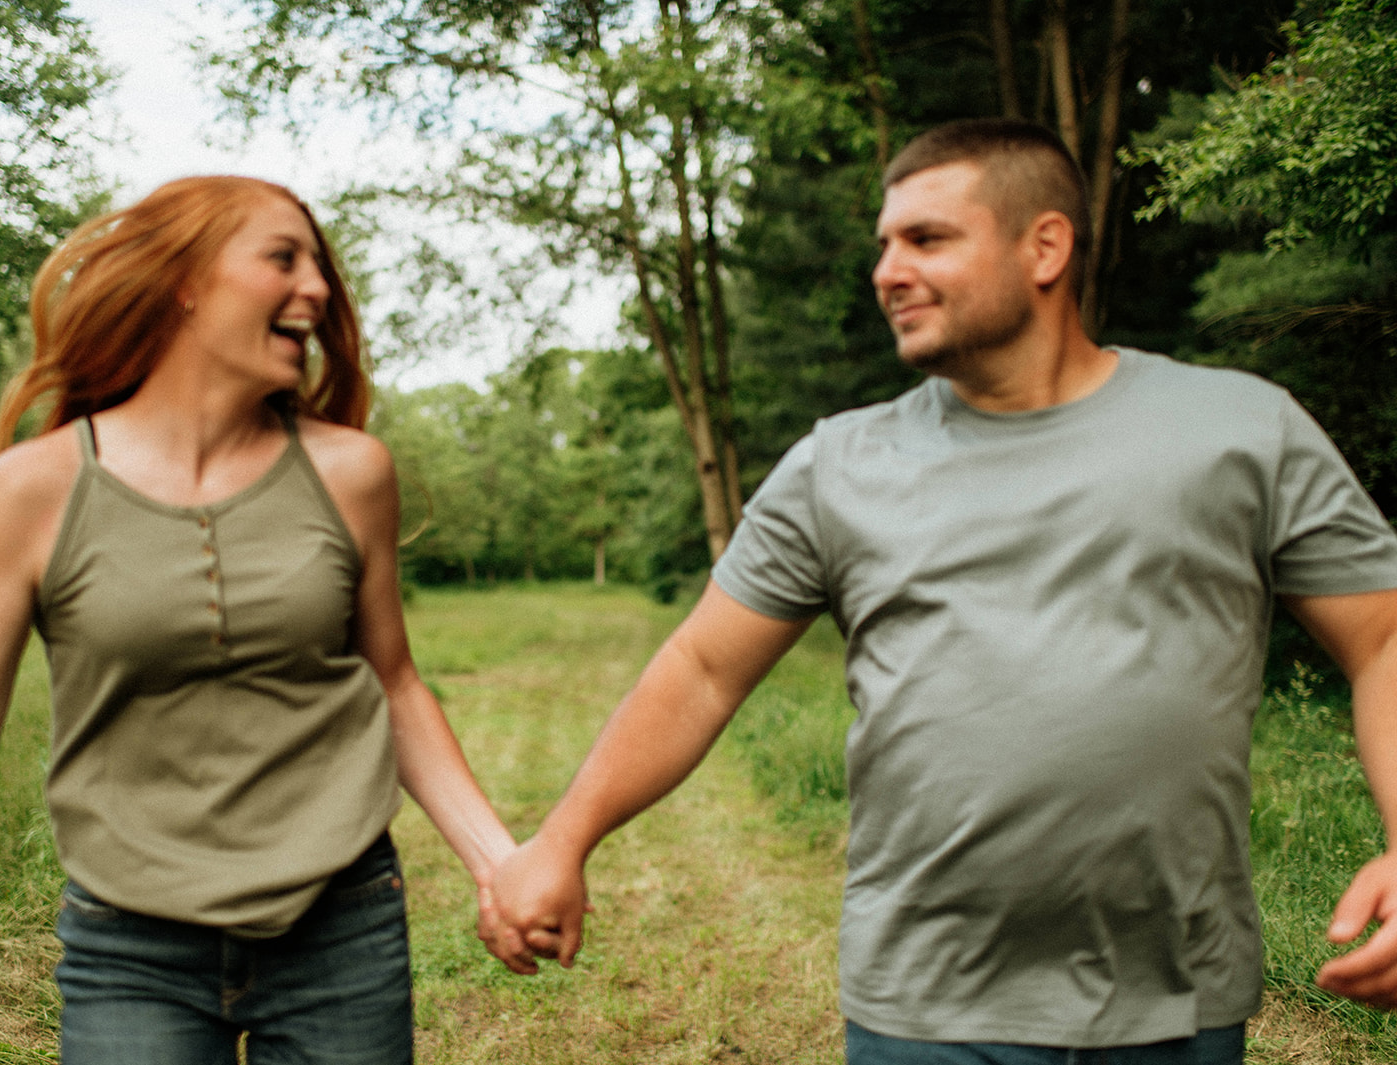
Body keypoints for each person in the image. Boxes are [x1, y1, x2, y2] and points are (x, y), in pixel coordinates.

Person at [490, 119, 1397, 1064]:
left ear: (1045, 246)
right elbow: (703, 668)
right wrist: (563, 838)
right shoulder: (837, 466)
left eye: (926, 239)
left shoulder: (1238, 429)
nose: (887, 270)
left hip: (1176, 998)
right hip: (925, 1006)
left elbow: (1381, 637)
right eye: (884, 244)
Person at [0, 175, 535, 1064]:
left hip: (341, 922)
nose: (318, 291)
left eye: (322, 269)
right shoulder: (32, 492)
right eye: (283, 258)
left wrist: (500, 863)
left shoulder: (350, 474)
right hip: (131, 946)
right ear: (184, 280)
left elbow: (394, 684)